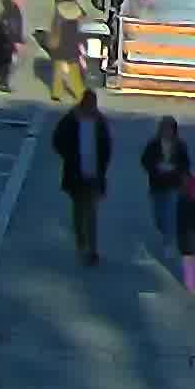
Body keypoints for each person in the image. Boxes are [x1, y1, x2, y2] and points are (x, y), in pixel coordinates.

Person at [52, 89, 113, 265]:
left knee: (91, 211)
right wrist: (69, 155)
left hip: (93, 174)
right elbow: (57, 140)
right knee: (80, 211)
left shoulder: (100, 121)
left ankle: (91, 249)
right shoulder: (71, 119)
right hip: (76, 173)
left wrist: (102, 168)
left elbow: (106, 147)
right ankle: (82, 244)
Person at [141, 116, 194, 254]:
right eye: (164, 128)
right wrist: (155, 168)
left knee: (170, 214)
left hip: (173, 184)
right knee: (158, 217)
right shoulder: (153, 144)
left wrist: (178, 171)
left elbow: (185, 164)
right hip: (156, 185)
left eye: (169, 129)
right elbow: (145, 161)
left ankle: (168, 242)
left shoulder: (180, 146)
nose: (167, 131)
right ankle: (166, 232)